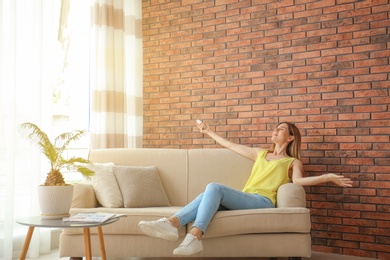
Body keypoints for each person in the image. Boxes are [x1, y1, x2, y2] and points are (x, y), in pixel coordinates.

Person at [138, 121, 353, 256]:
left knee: (214, 187)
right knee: (207, 195)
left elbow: (297, 183)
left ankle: (194, 235)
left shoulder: (292, 162)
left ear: (290, 138)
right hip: (246, 198)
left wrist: (327, 177)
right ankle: (172, 223)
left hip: (263, 202)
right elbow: (230, 145)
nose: (275, 131)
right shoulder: (260, 154)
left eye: (281, 130)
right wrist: (209, 131)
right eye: (275, 128)